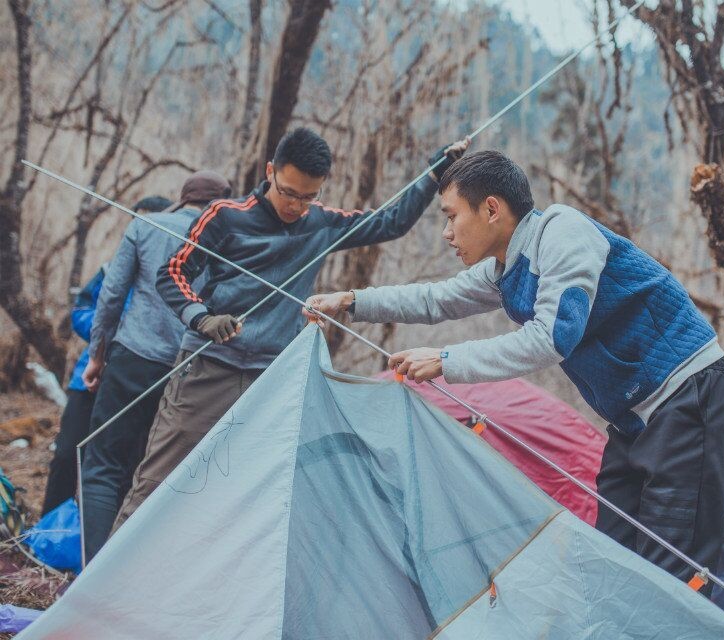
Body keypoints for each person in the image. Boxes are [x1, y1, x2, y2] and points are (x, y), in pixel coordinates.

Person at [305, 150, 724, 590]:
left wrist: (446, 361)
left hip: (688, 398)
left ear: (491, 209)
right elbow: (435, 299)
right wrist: (351, 302)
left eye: (452, 216)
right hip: (633, 423)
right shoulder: (504, 269)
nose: (446, 232)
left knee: (672, 576)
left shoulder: (562, 233)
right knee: (616, 563)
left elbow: (554, 336)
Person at [112, 128, 470, 530]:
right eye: (288, 192)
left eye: (308, 196)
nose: (296, 206)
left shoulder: (320, 222)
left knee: (247, 495)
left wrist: (432, 176)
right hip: (208, 368)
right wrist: (202, 317)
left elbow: (390, 222)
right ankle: (99, 590)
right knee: (159, 481)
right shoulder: (225, 216)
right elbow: (172, 272)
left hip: (273, 379)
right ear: (270, 172)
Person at [80, 173, 231, 561]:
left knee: (103, 467)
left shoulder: (147, 225)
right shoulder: (226, 241)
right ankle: (124, 579)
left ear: (183, 199)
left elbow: (111, 297)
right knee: (147, 475)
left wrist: (97, 356)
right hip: (185, 372)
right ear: (219, 206)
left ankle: (90, 580)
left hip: (132, 357)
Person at [41, 196, 170, 516]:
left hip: (136, 380)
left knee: (123, 463)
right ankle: (47, 532)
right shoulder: (109, 270)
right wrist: (110, 334)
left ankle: (101, 542)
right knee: (67, 453)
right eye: (136, 222)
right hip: (90, 375)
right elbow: (82, 311)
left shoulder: (175, 276)